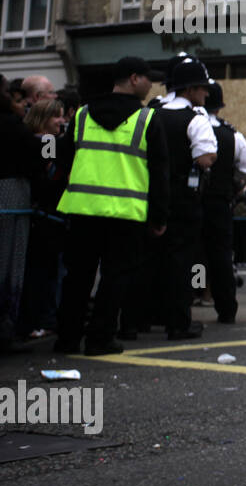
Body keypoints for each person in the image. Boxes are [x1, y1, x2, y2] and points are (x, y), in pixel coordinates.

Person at [54, 58, 170, 355]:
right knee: (114, 277)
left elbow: (63, 160)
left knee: (77, 277)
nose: (151, 84)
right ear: (134, 79)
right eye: (147, 78)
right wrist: (159, 216)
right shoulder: (147, 119)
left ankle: (67, 339)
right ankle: (100, 339)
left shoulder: (81, 115)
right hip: (125, 214)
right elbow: (159, 173)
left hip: (82, 210)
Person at [143, 57, 217, 340]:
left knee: (148, 258)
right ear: (190, 89)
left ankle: (139, 320)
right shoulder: (195, 118)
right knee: (181, 261)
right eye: (202, 88)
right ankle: (178, 322)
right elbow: (206, 158)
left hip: (148, 195)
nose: (206, 94)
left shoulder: (151, 112)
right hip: (183, 200)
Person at [199, 81, 246, 323]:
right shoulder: (231, 134)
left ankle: (194, 296)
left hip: (189, 201)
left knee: (193, 254)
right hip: (219, 202)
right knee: (221, 255)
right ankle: (226, 308)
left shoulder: (186, 124)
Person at [17, 99, 70, 341]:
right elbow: (49, 171)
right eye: (55, 117)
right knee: (46, 273)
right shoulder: (47, 142)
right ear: (42, 119)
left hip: (41, 216)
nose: (61, 121)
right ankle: (45, 319)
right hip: (47, 217)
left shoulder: (28, 141)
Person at [0, 78, 46, 353]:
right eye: (12, 96)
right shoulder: (14, 128)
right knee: (10, 264)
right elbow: (36, 162)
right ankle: (6, 328)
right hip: (11, 199)